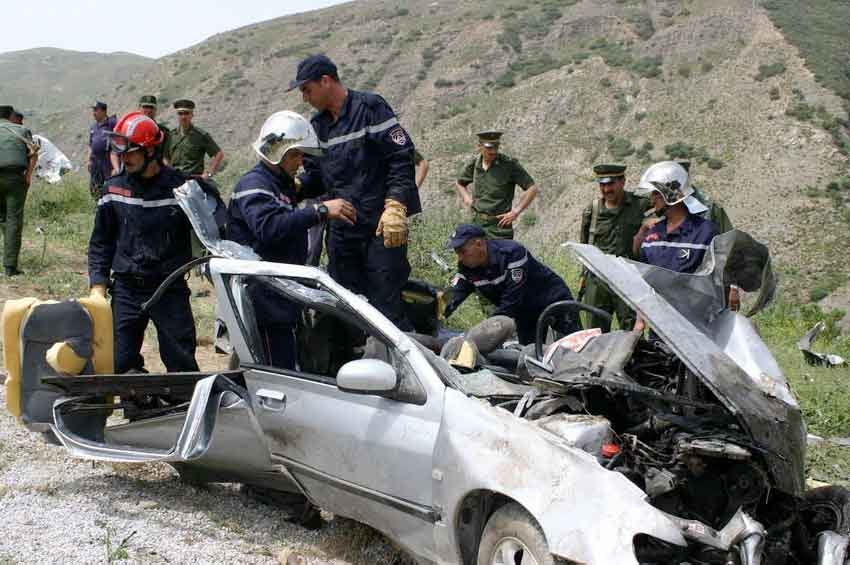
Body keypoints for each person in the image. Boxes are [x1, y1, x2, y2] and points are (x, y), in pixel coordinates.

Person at [292, 54, 420, 329]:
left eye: (307, 89)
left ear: (325, 81)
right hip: (342, 232)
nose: (304, 97)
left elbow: (401, 157)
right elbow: (317, 177)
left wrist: (396, 205)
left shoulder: (371, 108)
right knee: (345, 305)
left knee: (385, 305)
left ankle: (402, 367)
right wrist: (296, 187)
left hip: (380, 227)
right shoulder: (318, 126)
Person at [227, 111, 356, 368]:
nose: (300, 162)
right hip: (265, 300)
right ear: (279, 152)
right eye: (296, 154)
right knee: (276, 372)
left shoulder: (277, 184)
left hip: (278, 296)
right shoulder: (255, 184)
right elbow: (269, 227)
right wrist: (320, 211)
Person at [88, 111, 199, 374]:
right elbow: (101, 241)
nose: (124, 158)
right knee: (120, 361)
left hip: (169, 288)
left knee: (182, 363)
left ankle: (181, 409)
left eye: (131, 152)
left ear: (151, 150)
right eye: (121, 152)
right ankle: (139, 409)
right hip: (127, 288)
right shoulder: (113, 190)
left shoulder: (182, 189)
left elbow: (212, 232)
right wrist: (98, 285)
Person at [444, 224, 579, 345]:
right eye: (457, 253)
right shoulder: (466, 267)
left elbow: (511, 300)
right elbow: (454, 295)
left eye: (463, 251)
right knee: (530, 357)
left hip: (553, 299)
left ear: (478, 243)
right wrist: (437, 312)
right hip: (525, 312)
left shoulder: (512, 253)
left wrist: (483, 331)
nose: (460, 258)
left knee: (577, 344)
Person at [578, 164, 650, 331]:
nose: (606, 189)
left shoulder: (640, 205)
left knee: (632, 332)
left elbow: (666, 210)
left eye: (611, 184)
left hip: (628, 279)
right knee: (596, 334)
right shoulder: (592, 211)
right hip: (597, 282)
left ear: (622, 182)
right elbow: (584, 246)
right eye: (602, 185)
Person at [633, 161, 718, 274]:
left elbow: (720, 278)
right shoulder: (652, 233)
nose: (652, 200)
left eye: (656, 194)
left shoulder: (706, 232)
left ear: (671, 194)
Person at [454, 131, 538, 239]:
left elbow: (532, 188)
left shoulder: (509, 165)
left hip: (500, 228)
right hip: (477, 224)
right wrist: (467, 199)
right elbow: (459, 183)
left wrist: (516, 212)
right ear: (479, 147)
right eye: (489, 148)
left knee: (500, 255)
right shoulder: (475, 164)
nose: (493, 151)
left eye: (496, 147)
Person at [0, 105, 38, 276]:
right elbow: (33, 153)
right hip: (16, 178)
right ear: (11, 116)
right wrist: (28, 175)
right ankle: (10, 267)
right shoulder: (22, 130)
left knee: (3, 219)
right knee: (13, 220)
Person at [163, 99, 224, 179]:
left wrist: (208, 174)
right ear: (177, 115)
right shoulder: (170, 136)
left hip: (194, 179)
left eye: (186, 113)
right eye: (180, 113)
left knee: (212, 191)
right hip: (175, 179)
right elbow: (165, 156)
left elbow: (218, 154)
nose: (183, 117)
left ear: (192, 115)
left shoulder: (201, 135)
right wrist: (169, 170)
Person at [88, 101, 119, 198]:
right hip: (95, 162)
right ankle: (98, 207)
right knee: (95, 187)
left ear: (103, 111)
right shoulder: (93, 127)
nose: (94, 113)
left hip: (108, 161)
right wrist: (88, 160)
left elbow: (119, 141)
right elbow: (90, 144)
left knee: (112, 185)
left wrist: (116, 166)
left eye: (96, 110)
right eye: (93, 110)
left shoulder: (113, 123)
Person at [138, 95, 170, 162]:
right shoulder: (131, 130)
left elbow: (166, 156)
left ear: (155, 110)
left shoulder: (163, 132)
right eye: (145, 107)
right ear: (139, 108)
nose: (148, 110)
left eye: (151, 107)